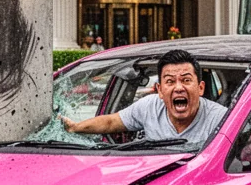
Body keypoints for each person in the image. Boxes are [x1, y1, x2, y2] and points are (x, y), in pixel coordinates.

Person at [60, 49, 226, 143]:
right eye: (170, 81)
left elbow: (249, 138)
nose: (178, 87)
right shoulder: (149, 107)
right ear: (160, 90)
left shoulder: (221, 117)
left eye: (186, 80)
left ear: (200, 88)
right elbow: (110, 122)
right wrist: (74, 127)